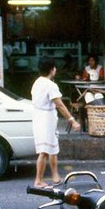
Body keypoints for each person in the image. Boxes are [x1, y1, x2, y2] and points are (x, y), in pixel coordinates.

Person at [32, 57, 80, 187]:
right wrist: (72, 120)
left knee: (53, 147)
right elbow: (60, 105)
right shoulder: (51, 85)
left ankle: (55, 176)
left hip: (40, 117)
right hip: (45, 119)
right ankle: (38, 180)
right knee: (44, 150)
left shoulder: (37, 82)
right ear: (52, 69)